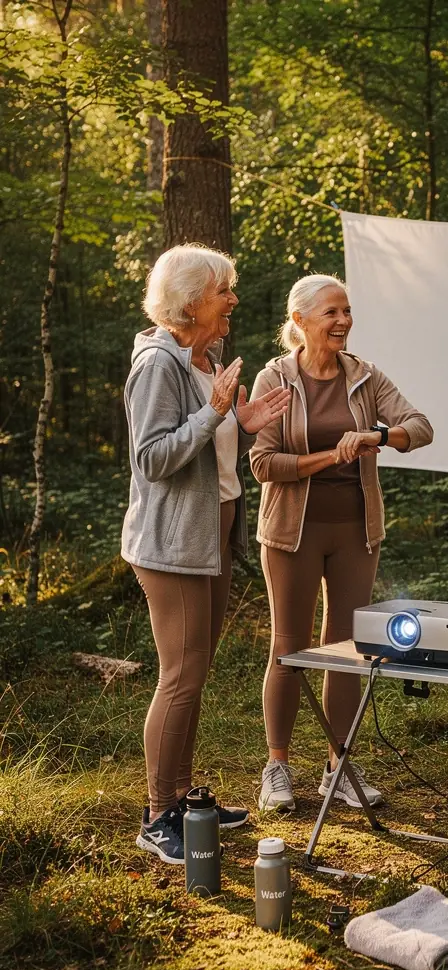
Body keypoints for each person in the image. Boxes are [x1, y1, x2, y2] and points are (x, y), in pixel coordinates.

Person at [122, 243, 291, 865]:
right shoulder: (157, 364)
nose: (233, 301)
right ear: (191, 301)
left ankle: (185, 800)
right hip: (170, 542)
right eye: (224, 290)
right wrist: (215, 412)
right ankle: (158, 813)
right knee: (180, 676)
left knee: (196, 673)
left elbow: (203, 438)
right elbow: (153, 459)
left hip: (209, 531)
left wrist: (235, 419)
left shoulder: (203, 355)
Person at [250, 274, 433, 813]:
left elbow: (420, 428)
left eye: (347, 311)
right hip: (292, 533)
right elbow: (263, 464)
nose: (343, 321)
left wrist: (376, 436)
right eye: (331, 312)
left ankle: (339, 765)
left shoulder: (366, 377)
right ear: (300, 321)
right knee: (288, 646)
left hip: (357, 531)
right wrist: (330, 456)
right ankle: (277, 768)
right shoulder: (274, 380)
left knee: (349, 650)